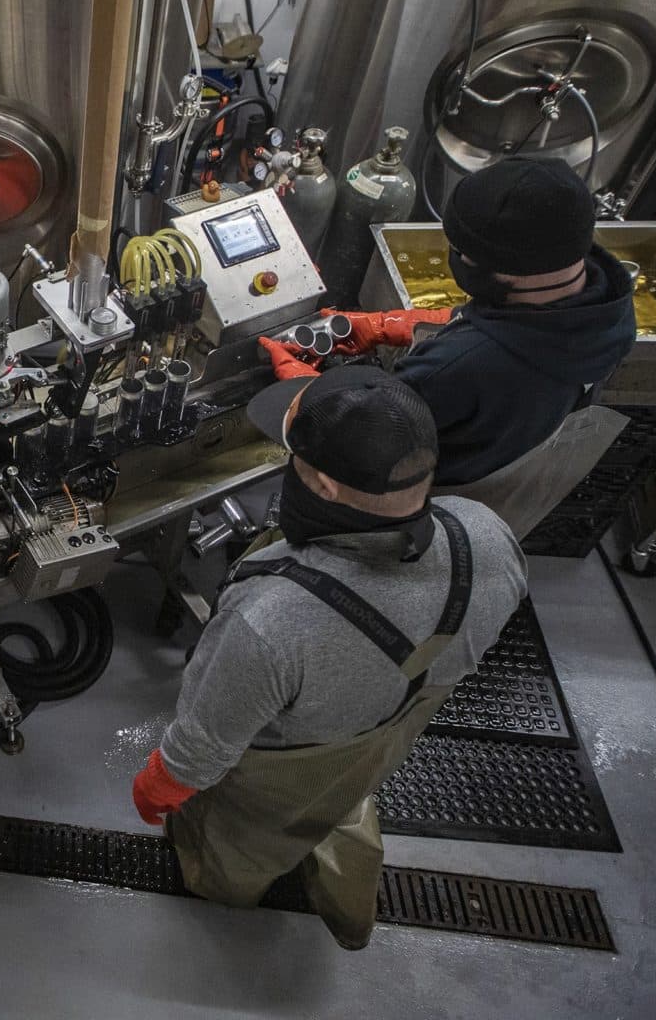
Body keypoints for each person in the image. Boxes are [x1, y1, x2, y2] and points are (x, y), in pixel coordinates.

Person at [131, 365, 527, 949]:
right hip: (385, 739)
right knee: (339, 800)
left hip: (276, 777)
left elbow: (198, 756)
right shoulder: (486, 535)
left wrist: (154, 791)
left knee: (237, 853)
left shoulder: (269, 622)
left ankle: (225, 899)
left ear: (322, 486)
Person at [262, 156, 636, 536]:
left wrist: (304, 389)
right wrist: (391, 325)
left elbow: (360, 435)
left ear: (508, 267)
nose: (456, 259)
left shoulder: (458, 369)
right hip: (504, 463)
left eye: (463, 253)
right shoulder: (607, 303)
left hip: (422, 500)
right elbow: (508, 323)